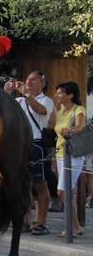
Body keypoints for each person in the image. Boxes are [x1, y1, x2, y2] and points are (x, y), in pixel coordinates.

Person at [5, 71, 55, 236]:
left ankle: (41, 222)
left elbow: (41, 111)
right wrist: (6, 93)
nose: (29, 82)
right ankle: (25, 220)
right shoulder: (19, 100)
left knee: (39, 184)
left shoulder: (46, 100)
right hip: (19, 146)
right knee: (23, 185)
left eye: (33, 80)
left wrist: (26, 94)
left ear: (42, 83)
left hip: (36, 144)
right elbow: (3, 111)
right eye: (27, 80)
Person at [50, 81, 85, 237]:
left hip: (74, 155)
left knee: (62, 191)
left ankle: (74, 226)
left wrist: (70, 130)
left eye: (61, 92)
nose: (58, 94)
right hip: (60, 154)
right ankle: (74, 227)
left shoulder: (79, 109)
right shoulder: (59, 113)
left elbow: (80, 127)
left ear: (70, 95)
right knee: (67, 191)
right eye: (57, 92)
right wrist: (53, 158)